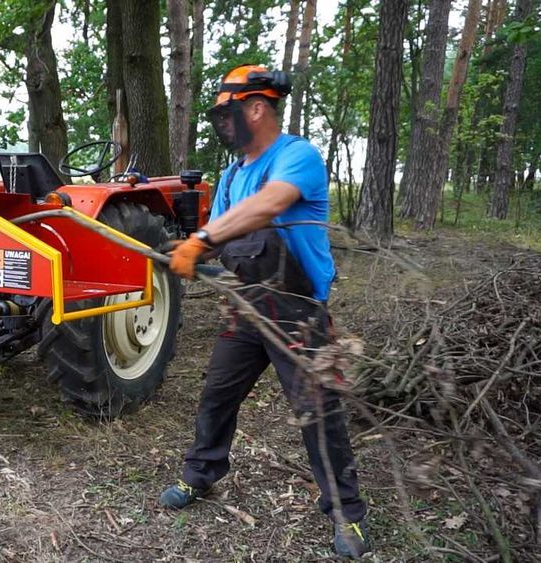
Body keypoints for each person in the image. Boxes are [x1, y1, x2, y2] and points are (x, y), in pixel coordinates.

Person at [161, 64, 371, 558]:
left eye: (227, 113)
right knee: (217, 395)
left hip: (296, 311)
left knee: (317, 411)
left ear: (257, 108)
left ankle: (346, 513)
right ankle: (201, 474)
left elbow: (270, 205)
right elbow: (222, 236)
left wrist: (201, 239)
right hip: (245, 307)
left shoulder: (296, 156)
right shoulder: (233, 174)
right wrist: (180, 252)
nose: (221, 123)